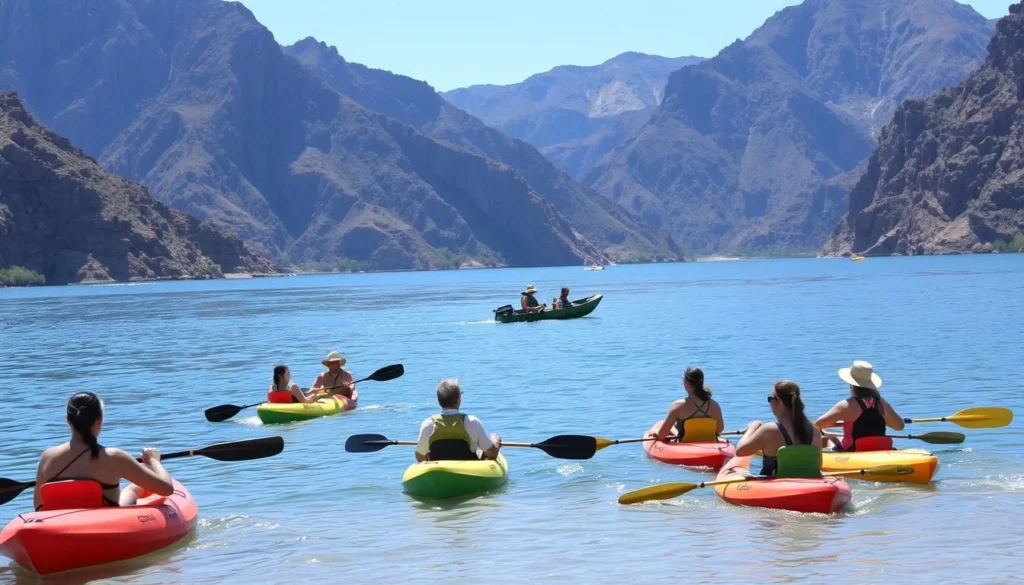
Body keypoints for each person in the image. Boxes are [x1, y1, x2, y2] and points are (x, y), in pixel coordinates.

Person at [34, 392, 174, 511]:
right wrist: (154, 460)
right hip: (106, 528)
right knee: (132, 490)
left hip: (62, 530)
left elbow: (39, 507)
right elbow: (167, 489)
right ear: (99, 420)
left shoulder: (47, 457)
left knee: (131, 490)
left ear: (68, 421)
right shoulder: (114, 457)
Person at [736, 381, 824, 478]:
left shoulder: (769, 430)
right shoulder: (814, 430)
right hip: (808, 484)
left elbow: (740, 451)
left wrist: (751, 429)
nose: (770, 402)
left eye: (770, 399)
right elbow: (818, 464)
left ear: (779, 402)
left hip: (776, 488)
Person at [815, 361, 905, 451]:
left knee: (825, 439)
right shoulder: (882, 403)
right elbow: (899, 426)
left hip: (853, 450)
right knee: (832, 437)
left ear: (851, 384)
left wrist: (836, 424)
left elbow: (817, 425)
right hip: (879, 448)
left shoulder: (846, 405)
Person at [415, 378, 501, 462]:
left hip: (438, 473)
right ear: (459, 399)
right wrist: (495, 440)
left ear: (438, 400)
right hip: (468, 472)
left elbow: (420, 456)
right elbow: (492, 454)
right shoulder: (473, 422)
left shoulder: (428, 424)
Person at [650, 367, 725, 442]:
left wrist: (655, 432)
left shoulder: (678, 406)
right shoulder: (714, 405)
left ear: (686, 383)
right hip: (710, 446)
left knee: (669, 427)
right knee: (674, 427)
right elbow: (719, 429)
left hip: (686, 448)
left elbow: (662, 435)